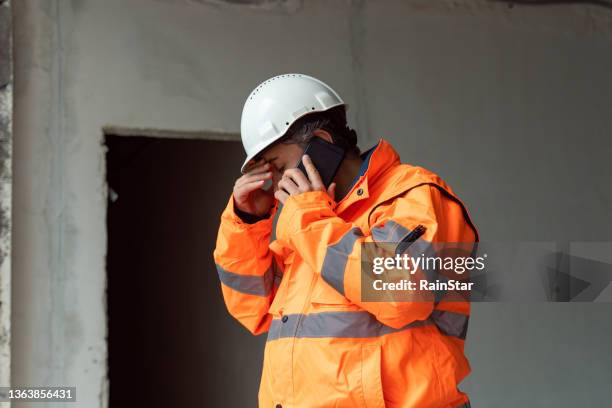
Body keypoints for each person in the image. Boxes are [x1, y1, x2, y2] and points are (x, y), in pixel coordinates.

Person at [213, 73, 478, 408]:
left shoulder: (412, 196)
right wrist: (247, 222)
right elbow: (253, 309)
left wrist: (309, 219)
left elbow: (401, 294)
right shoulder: (313, 219)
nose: (275, 184)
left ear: (321, 142)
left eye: (278, 166)